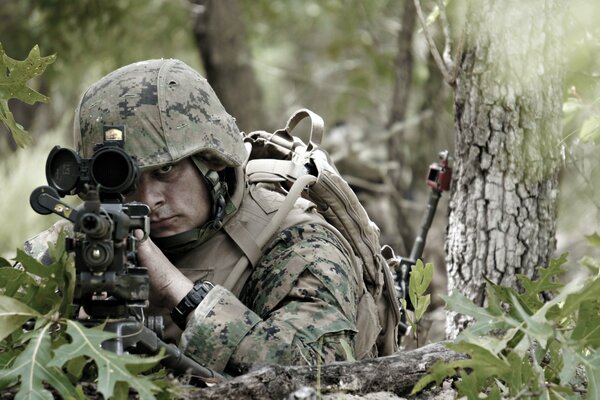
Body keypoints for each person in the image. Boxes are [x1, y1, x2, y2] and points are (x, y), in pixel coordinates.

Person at [25, 58, 388, 375]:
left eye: (165, 170)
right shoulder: (80, 242)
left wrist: (176, 292)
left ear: (211, 160)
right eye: (127, 182)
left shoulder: (293, 242)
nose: (149, 199)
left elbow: (322, 371)